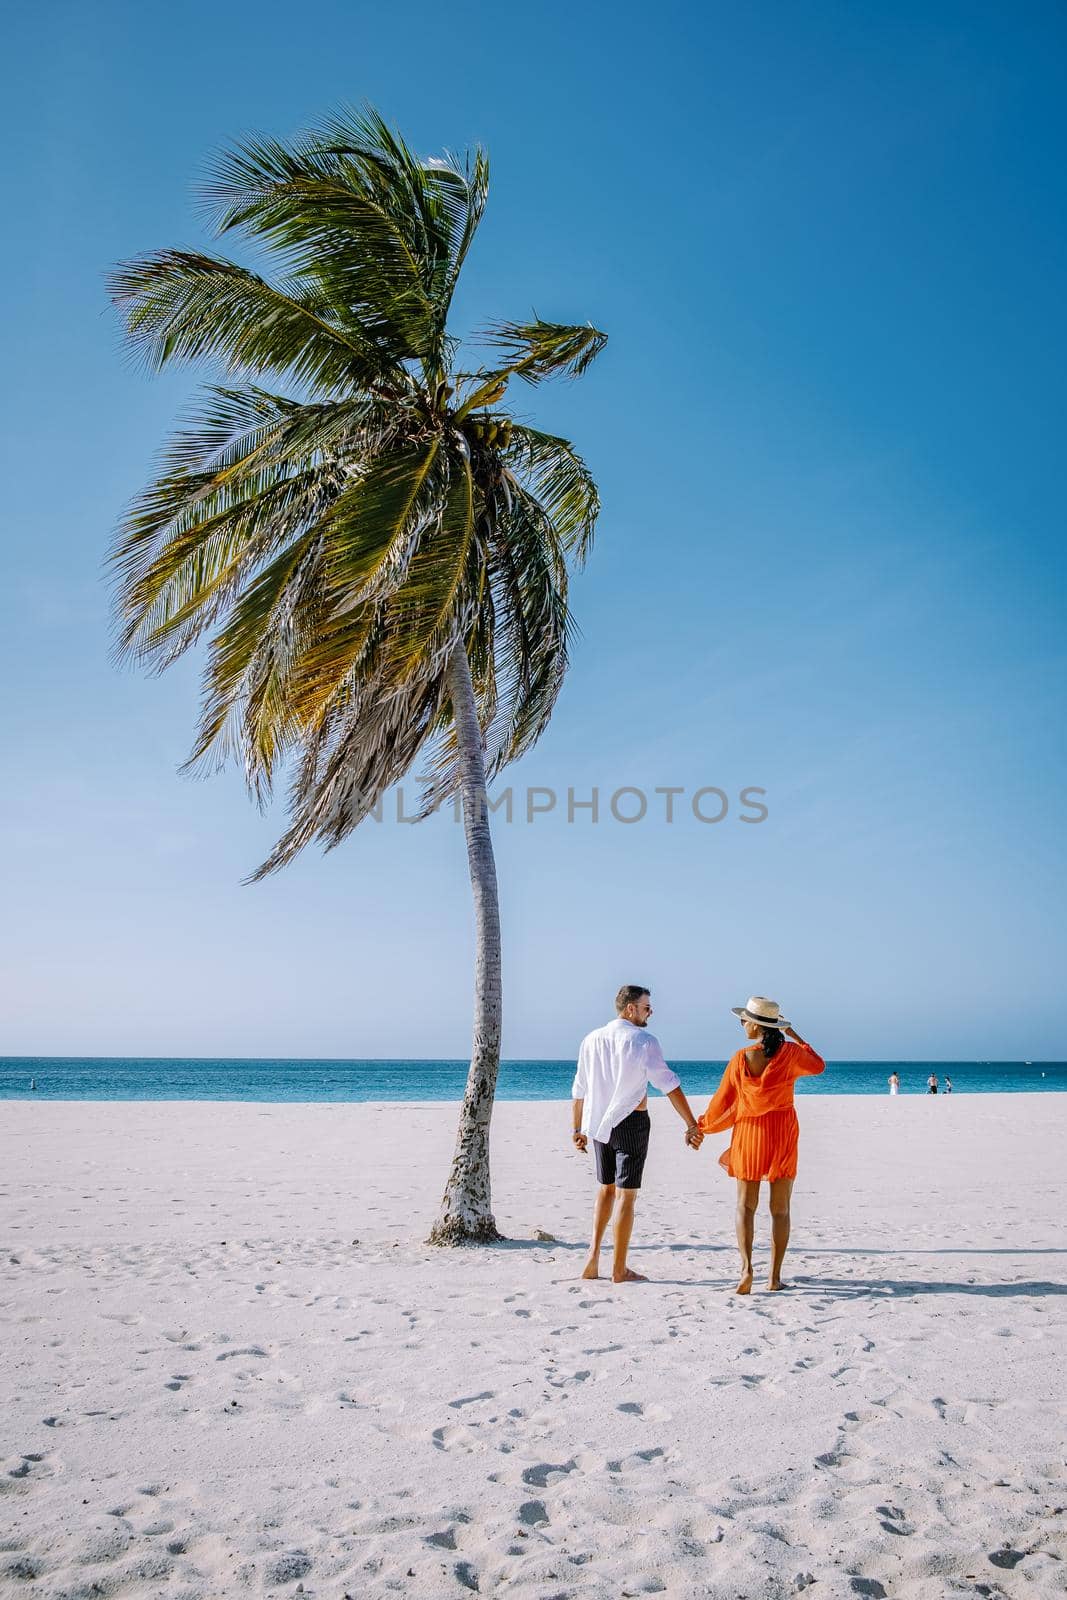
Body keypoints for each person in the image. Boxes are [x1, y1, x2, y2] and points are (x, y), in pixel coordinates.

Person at [572, 984, 703, 1284]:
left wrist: (576, 1128)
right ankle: (619, 1269)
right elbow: (668, 1084)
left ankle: (592, 1260)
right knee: (626, 1198)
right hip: (631, 1123)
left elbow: (579, 1088)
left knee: (605, 1189)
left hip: (598, 1125)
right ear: (630, 1008)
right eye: (646, 1007)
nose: (650, 1011)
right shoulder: (644, 1041)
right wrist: (691, 1123)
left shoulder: (590, 1039)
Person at [697, 997, 825, 1294]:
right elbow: (818, 1066)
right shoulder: (791, 1053)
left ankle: (746, 1271)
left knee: (745, 1206)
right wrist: (795, 1036)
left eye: (744, 1020)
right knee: (780, 1209)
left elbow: (721, 1103)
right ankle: (774, 1277)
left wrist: (701, 1126)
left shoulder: (741, 1058)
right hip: (782, 1131)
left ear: (756, 1025)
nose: (742, 1024)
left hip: (751, 1133)